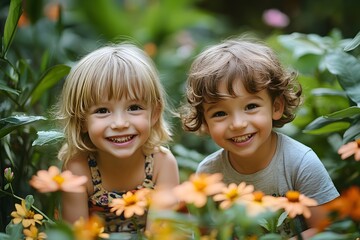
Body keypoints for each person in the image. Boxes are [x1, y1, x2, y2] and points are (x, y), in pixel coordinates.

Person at [180, 36, 339, 239]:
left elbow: (329, 230)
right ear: (204, 121)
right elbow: (206, 234)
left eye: (251, 106)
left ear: (276, 107)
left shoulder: (300, 163)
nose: (238, 124)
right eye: (220, 113)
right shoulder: (209, 175)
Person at [55, 43, 179, 234]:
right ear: (81, 121)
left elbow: (161, 235)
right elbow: (76, 236)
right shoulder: (78, 170)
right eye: (102, 111)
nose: (120, 123)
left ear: (154, 113)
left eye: (134, 107)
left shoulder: (161, 164)